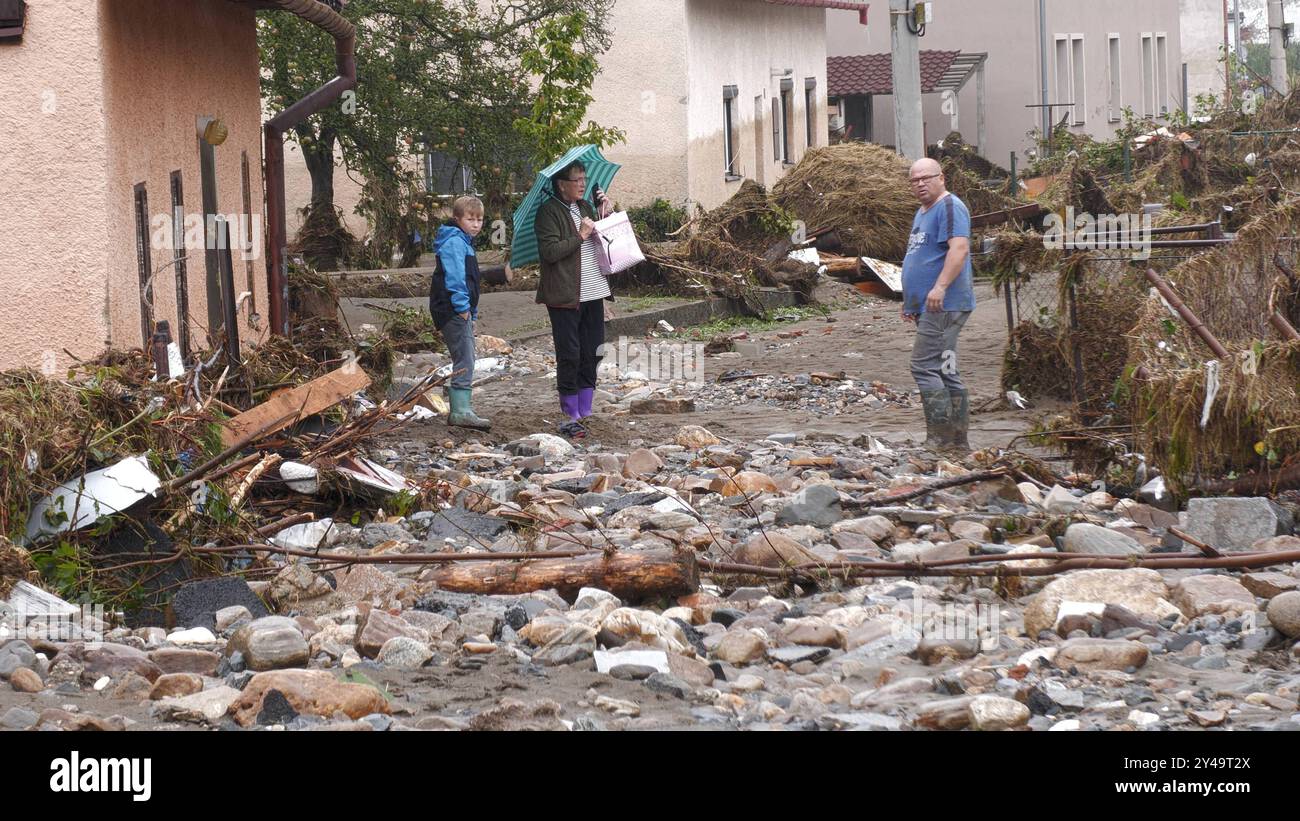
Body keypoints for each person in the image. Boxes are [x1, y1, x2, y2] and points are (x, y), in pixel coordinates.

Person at [900, 157, 976, 450]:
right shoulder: (922, 212)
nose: (920, 184)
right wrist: (911, 301)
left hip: (945, 304)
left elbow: (959, 249)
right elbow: (921, 257)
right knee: (945, 369)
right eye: (915, 180)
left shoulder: (949, 206)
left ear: (941, 177)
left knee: (923, 367)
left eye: (925, 178)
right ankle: (958, 441)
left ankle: (940, 438)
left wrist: (941, 287)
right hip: (929, 305)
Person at [534, 160, 614, 439]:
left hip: (594, 291)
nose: (582, 183)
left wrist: (606, 216)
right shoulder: (548, 213)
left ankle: (586, 410)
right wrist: (580, 234)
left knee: (593, 351)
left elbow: (602, 244)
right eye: (576, 179)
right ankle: (570, 413)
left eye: (584, 178)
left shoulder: (586, 208)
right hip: (564, 295)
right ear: (561, 184)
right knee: (569, 353)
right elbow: (550, 252)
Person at [430, 195, 491, 430]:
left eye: (480, 219)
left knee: (466, 354)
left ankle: (462, 407)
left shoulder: (465, 242)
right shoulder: (454, 242)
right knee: (465, 357)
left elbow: (472, 282)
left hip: (461, 309)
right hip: (451, 307)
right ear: (457, 219)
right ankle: (460, 411)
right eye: (470, 219)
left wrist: (472, 314)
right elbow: (456, 278)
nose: (476, 224)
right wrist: (463, 308)